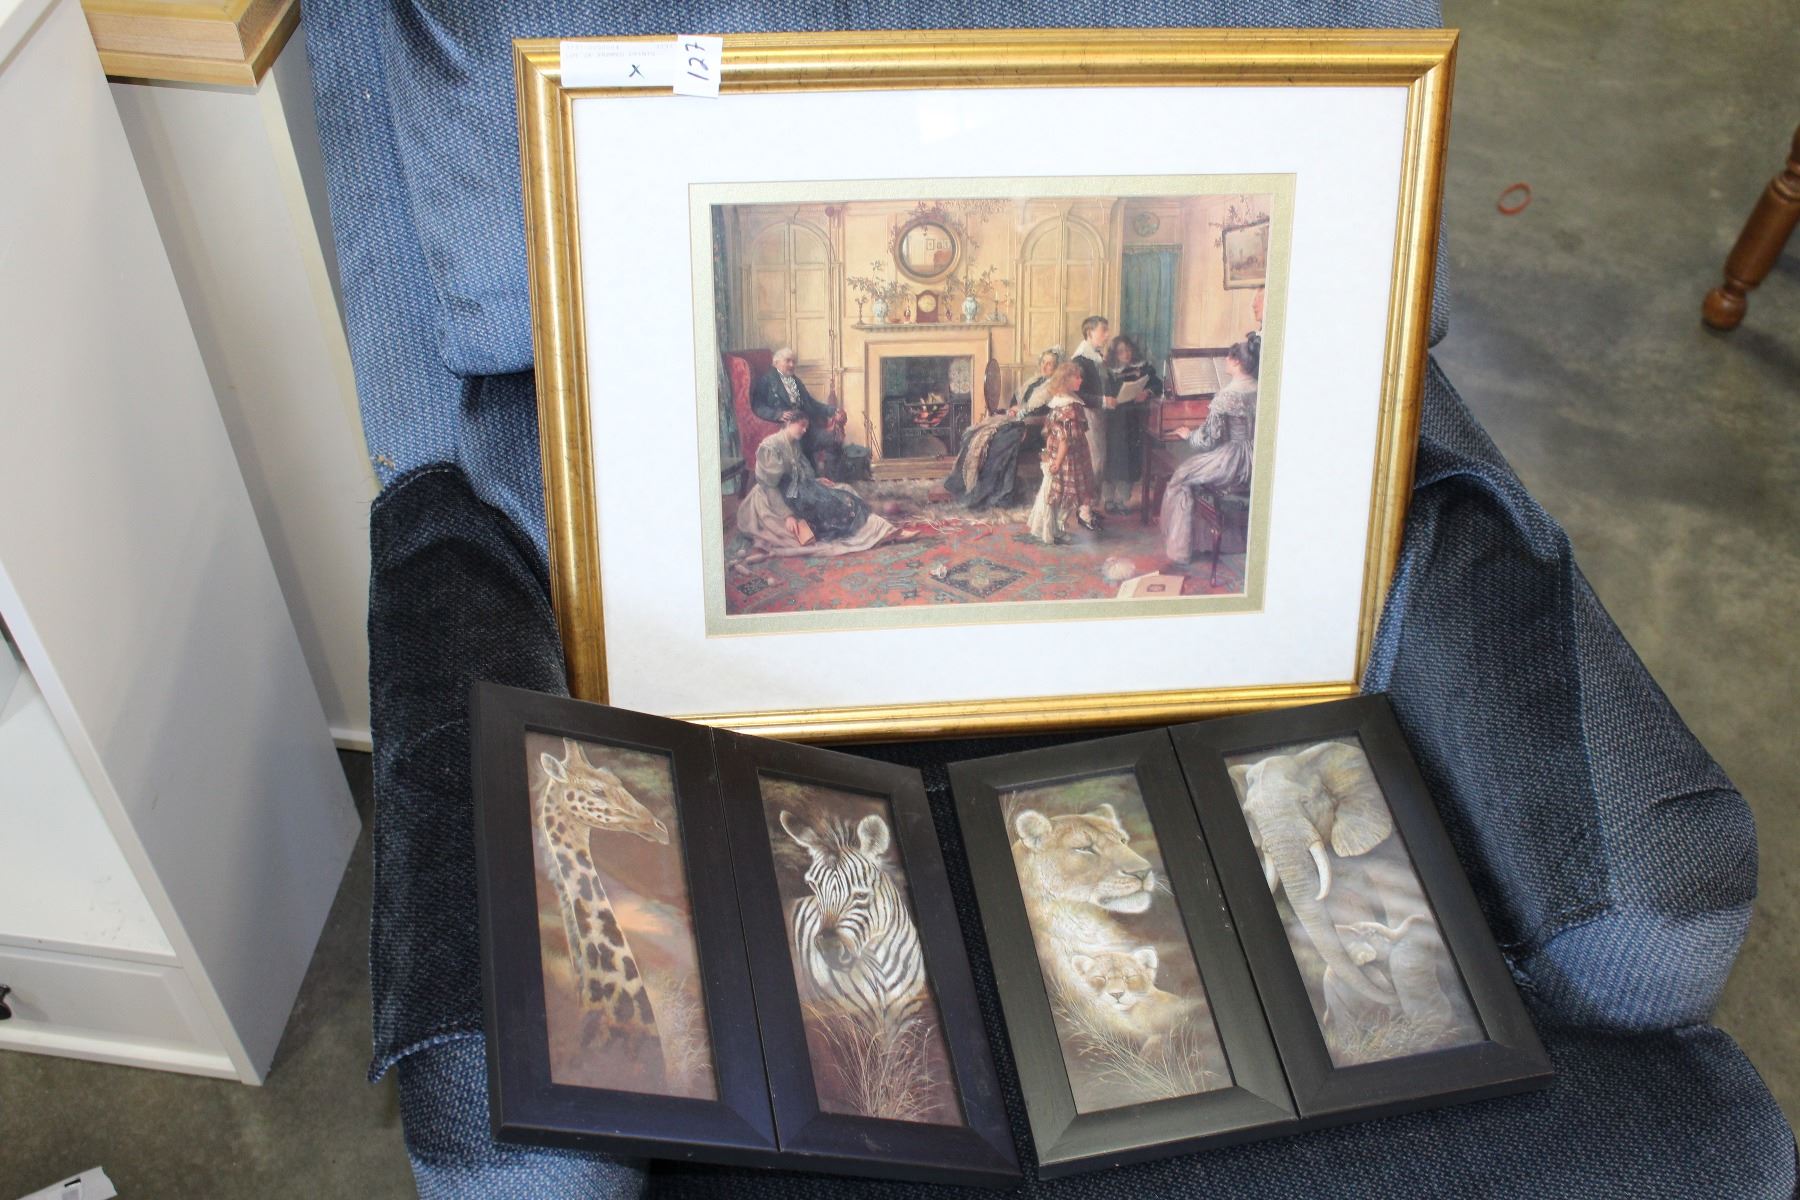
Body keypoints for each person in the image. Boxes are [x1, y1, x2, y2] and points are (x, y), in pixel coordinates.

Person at [737, 409, 902, 559]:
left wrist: (815, 481)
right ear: (789, 423)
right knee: (830, 504)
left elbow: (799, 471)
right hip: (780, 496)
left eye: (806, 427)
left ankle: (879, 528)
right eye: (801, 426)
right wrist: (787, 516)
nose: (804, 430)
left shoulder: (794, 444)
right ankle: (878, 531)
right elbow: (770, 485)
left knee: (842, 494)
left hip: (799, 491)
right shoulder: (770, 446)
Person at [1159, 332, 1259, 565]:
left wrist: (1188, 435)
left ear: (1236, 362)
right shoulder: (1259, 388)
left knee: (1182, 476)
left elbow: (1208, 440)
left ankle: (1181, 549)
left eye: (1228, 357)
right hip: (1256, 457)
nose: (1225, 360)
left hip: (1234, 461)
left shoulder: (1226, 395)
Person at [942, 346, 1061, 509]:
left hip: (1035, 429)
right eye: (1043, 362)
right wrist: (1013, 410)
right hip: (1018, 420)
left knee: (1001, 440)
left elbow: (1046, 414)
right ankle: (965, 483)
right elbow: (1016, 401)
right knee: (979, 433)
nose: (1045, 366)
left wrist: (1021, 412)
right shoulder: (1034, 381)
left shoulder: (1055, 387)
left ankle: (995, 493)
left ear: (1057, 367)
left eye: (1050, 364)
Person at [1026, 363, 1100, 543]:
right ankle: (1058, 528)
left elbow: (1055, 435)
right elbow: (1064, 441)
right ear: (1065, 380)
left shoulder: (1061, 402)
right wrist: (1057, 461)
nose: (1081, 380)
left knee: (1060, 494)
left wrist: (1051, 455)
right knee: (1066, 495)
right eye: (1077, 377)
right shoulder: (1069, 408)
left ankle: (1058, 527)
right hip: (1068, 459)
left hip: (1066, 455)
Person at [751, 347, 845, 471]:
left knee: (834, 439)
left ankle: (833, 478)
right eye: (788, 361)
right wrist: (777, 414)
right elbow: (757, 406)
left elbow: (811, 403)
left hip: (806, 428)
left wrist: (832, 410)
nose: (792, 365)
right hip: (784, 430)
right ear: (776, 362)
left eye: (794, 362)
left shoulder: (795, 380)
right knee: (802, 460)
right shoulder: (766, 381)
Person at [1099, 334, 1163, 513]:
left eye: (1128, 350)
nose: (1126, 354)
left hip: (1135, 420)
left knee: (1130, 461)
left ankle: (1122, 500)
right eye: (1121, 352)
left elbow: (1157, 384)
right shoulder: (1108, 371)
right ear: (1115, 354)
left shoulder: (1143, 368)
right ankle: (1108, 499)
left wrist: (1147, 392)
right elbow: (1103, 394)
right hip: (1114, 421)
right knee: (1113, 460)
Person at [1070, 316, 1111, 516]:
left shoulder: (1096, 357)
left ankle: (1090, 507)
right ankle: (1084, 509)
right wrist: (1102, 400)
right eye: (1103, 330)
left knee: (1100, 461)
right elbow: (1076, 393)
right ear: (1089, 333)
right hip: (1087, 414)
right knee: (1094, 462)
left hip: (1098, 413)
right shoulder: (1080, 360)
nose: (1107, 335)